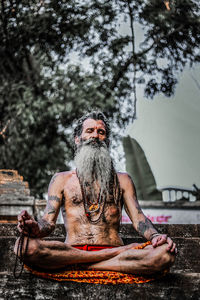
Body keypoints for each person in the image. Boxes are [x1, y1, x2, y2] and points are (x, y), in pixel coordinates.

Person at [14, 111, 176, 275]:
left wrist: (155, 236)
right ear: (78, 139)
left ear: (107, 140)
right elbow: (47, 223)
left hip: (80, 256)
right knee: (25, 246)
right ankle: (107, 258)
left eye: (101, 132)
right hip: (75, 252)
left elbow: (139, 218)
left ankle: (83, 266)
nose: (95, 136)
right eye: (89, 131)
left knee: (165, 254)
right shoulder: (61, 179)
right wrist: (35, 227)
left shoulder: (123, 180)